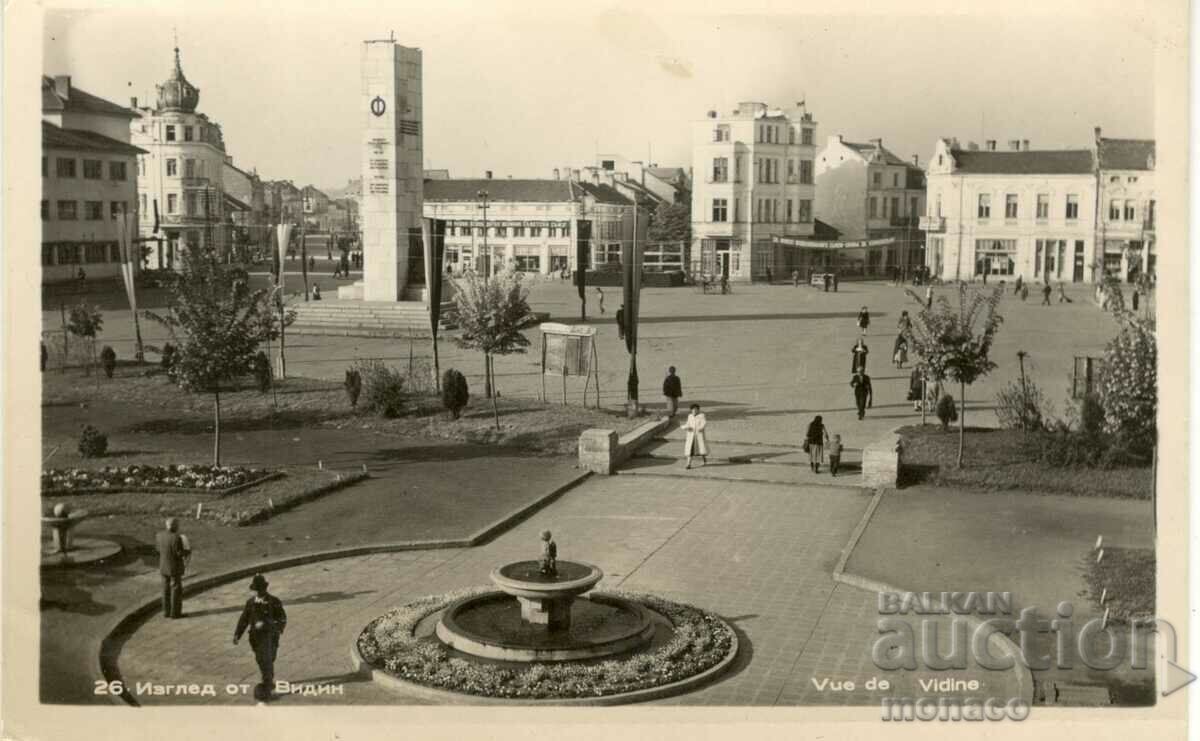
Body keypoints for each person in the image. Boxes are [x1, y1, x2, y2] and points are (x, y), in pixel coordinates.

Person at [234, 574, 288, 702]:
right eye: (257, 590)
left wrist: (268, 625)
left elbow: (282, 619)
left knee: (269, 659)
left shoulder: (274, 601)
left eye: (261, 589)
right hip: (255, 639)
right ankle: (268, 683)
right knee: (262, 660)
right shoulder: (251, 603)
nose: (259, 592)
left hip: (270, 637)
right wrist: (237, 634)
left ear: (265, 589)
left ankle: (267, 685)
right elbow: (244, 619)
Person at [156, 518, 190, 619]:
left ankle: (166, 612)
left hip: (163, 566)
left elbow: (158, 549)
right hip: (174, 567)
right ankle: (175, 613)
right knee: (176, 589)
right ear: (174, 526)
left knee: (165, 589)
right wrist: (187, 552)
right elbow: (179, 553)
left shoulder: (159, 535)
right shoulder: (176, 537)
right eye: (177, 525)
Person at [681, 403, 708, 469]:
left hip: (698, 435)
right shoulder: (690, 416)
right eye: (693, 410)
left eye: (696, 410)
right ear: (691, 410)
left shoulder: (702, 415)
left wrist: (701, 428)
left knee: (701, 449)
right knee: (690, 450)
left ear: (698, 410)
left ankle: (704, 459)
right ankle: (688, 464)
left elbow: (704, 423)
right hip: (691, 436)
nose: (694, 411)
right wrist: (686, 427)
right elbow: (687, 424)